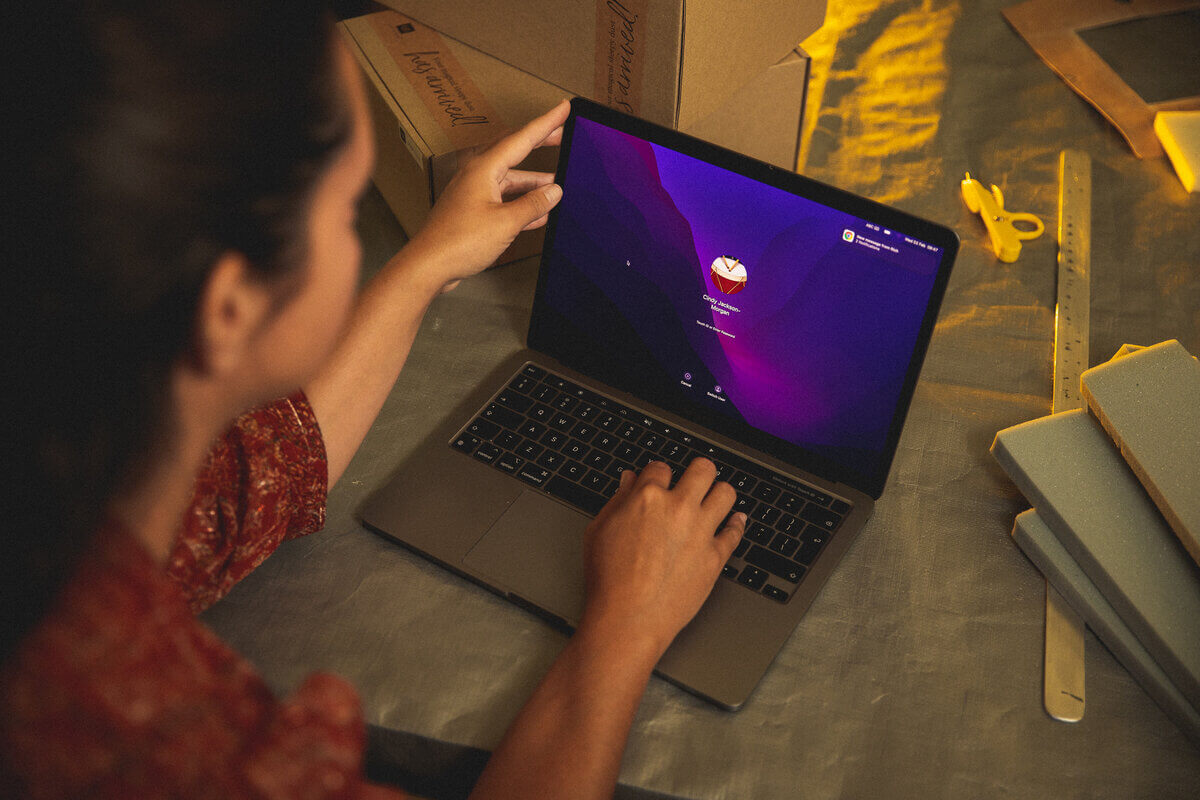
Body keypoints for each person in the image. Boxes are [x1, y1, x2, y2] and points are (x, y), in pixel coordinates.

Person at [2, 2, 745, 797]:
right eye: (349, 205)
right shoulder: (159, 754)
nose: (363, 238)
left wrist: (425, 263)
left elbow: (237, 490)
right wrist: (628, 624)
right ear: (229, 309)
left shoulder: (67, 476)